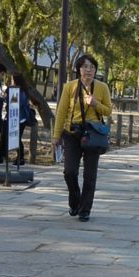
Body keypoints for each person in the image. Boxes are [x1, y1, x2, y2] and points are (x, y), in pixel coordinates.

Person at [52, 53, 112, 222]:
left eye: (92, 67)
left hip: (92, 134)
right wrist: (56, 135)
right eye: (85, 67)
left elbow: (108, 111)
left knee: (90, 174)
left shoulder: (102, 87)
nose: (89, 70)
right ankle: (74, 199)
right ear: (79, 69)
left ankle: (85, 209)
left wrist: (95, 104)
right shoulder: (69, 87)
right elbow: (61, 112)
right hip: (72, 133)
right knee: (69, 172)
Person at [0, 72, 31, 165]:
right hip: (11, 118)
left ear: (17, 81)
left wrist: (6, 98)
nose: (11, 81)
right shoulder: (13, 90)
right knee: (6, 137)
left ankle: (20, 158)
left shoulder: (21, 92)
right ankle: (3, 155)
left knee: (16, 138)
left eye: (12, 80)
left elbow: (16, 104)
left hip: (19, 119)